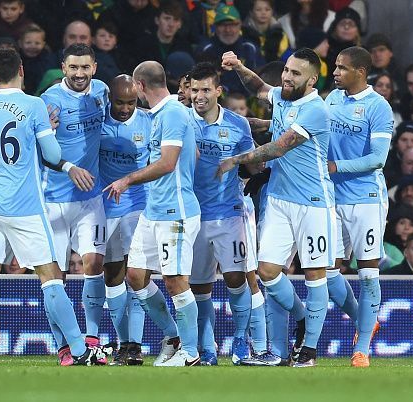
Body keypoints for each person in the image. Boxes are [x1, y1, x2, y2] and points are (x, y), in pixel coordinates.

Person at [0, 48, 108, 367]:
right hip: (25, 208)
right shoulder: (34, 105)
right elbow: (51, 154)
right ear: (22, 70)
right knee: (51, 278)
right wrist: (49, 134)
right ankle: (80, 350)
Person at [219, 48, 335, 367]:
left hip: (313, 204)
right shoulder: (282, 95)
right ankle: (301, 319)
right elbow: (258, 87)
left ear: (311, 79)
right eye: (286, 70)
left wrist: (236, 159)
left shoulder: (315, 109)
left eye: (295, 73)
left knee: (315, 276)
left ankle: (308, 351)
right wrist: (239, 65)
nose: (287, 77)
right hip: (281, 201)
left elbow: (278, 147)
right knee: (267, 271)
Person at [104, 60, 201, 366]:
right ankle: (173, 336)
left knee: (174, 280)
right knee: (135, 275)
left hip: (176, 211)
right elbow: (193, 153)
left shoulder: (172, 112)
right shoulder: (162, 114)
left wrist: (127, 179)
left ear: (140, 86)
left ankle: (191, 353)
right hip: (153, 209)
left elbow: (168, 163)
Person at [187, 62, 260, 366]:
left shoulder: (238, 124)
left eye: (205, 89)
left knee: (236, 277)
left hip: (229, 211)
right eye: (194, 89)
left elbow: (252, 162)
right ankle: (207, 346)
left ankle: (241, 341)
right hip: (192, 214)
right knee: (199, 286)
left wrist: (256, 164)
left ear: (218, 91)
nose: (199, 95)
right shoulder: (180, 121)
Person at [325, 46, 393, 367]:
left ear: (360, 72)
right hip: (332, 198)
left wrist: (337, 167)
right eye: (335, 67)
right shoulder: (332, 100)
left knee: (367, 274)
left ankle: (362, 349)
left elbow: (378, 158)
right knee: (325, 272)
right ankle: (364, 319)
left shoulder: (378, 107)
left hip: (366, 200)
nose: (335, 72)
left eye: (341, 68)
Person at [40, 44, 110, 355]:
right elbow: (38, 151)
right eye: (73, 68)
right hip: (52, 200)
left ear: (94, 67)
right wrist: (67, 168)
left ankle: (92, 337)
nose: (79, 74)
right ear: (63, 68)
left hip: (90, 199)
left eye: (85, 67)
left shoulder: (103, 92)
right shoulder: (48, 101)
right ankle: (64, 346)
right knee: (55, 277)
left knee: (93, 263)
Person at [98, 74, 150, 366]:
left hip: (138, 206)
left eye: (131, 102)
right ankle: (123, 343)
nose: (126, 108)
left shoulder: (149, 121)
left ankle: (136, 345)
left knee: (138, 275)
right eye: (120, 102)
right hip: (105, 208)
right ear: (110, 99)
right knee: (112, 276)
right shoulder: (98, 121)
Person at [196, 4, 264, 95]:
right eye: (223, 25)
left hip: (246, 103)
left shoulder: (251, 48)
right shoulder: (205, 49)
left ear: (240, 25)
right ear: (215, 27)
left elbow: (261, 79)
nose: (228, 30)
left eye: (232, 25)